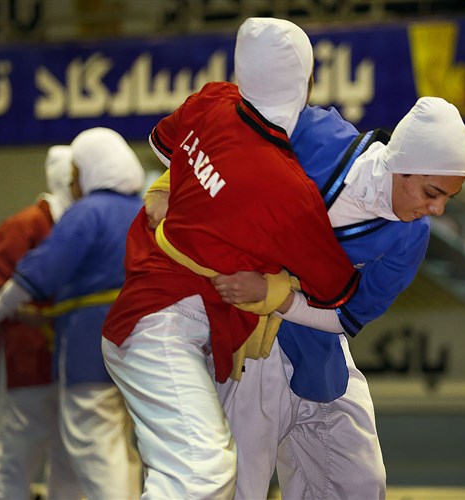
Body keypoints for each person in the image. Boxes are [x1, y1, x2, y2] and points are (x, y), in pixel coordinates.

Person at [146, 97, 465, 498]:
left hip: (319, 346)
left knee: (359, 482)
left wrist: (275, 296)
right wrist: (168, 185)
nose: (437, 210)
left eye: (447, 199)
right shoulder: (316, 133)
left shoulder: (410, 236)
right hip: (246, 340)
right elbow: (221, 139)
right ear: (400, 165)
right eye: (431, 192)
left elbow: (346, 318)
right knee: (236, 484)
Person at [100, 17, 361, 499]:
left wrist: (185, 187)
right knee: (202, 471)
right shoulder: (288, 190)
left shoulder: (212, 98)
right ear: (307, 81)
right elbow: (339, 290)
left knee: (190, 472)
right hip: (162, 328)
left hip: (149, 312)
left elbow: (166, 145)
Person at [0, 127, 144, 499]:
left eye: (76, 174)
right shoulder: (145, 212)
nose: (72, 183)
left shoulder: (87, 213)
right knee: (120, 447)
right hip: (142, 345)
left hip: (89, 345)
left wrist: (1, 306)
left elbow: (41, 270)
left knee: (93, 444)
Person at [0, 145, 81, 500]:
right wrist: (29, 311)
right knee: (16, 455)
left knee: (69, 457)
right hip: (27, 360)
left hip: (71, 364)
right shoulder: (25, 226)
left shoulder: (83, 222)